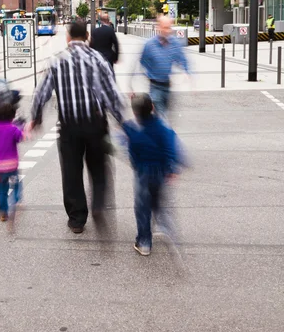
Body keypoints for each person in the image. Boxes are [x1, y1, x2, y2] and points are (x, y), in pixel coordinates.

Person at [29, 20, 124, 234]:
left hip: (69, 125)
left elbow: (41, 93)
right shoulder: (98, 59)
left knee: (71, 172)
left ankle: (77, 219)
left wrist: (35, 119)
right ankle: (98, 204)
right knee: (98, 168)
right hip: (95, 123)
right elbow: (111, 94)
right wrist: (122, 120)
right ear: (88, 36)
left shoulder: (57, 61)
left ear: (68, 37)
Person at [122, 93, 185, 256]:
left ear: (135, 113)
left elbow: (128, 148)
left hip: (142, 172)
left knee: (142, 207)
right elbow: (170, 147)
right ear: (152, 107)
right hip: (160, 172)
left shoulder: (132, 128)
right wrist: (172, 168)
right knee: (159, 202)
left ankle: (144, 242)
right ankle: (166, 229)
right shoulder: (162, 127)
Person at [139, 15, 190, 118]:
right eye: (165, 27)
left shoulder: (174, 43)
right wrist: (151, 73)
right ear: (159, 27)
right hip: (155, 86)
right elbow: (143, 62)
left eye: (169, 27)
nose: (168, 30)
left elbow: (181, 58)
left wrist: (186, 71)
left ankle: (159, 131)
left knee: (165, 115)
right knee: (161, 115)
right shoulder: (150, 44)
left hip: (167, 85)